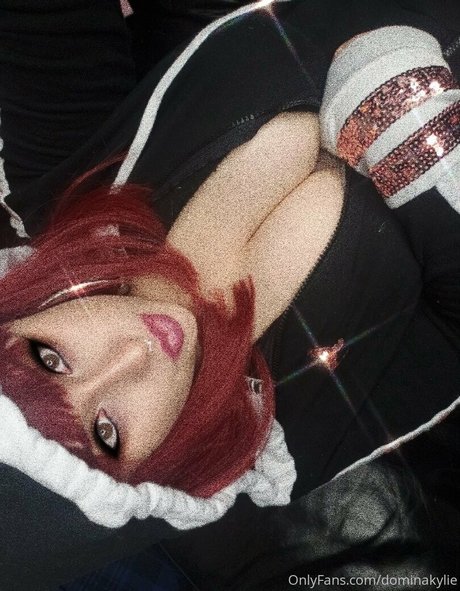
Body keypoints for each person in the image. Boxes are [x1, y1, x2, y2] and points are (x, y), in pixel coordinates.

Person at [0, 1, 459, 589]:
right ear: (144, 483)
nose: (133, 355)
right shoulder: (300, 437)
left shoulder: (62, 184)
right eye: (106, 435)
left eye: (49, 358)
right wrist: (413, 135)